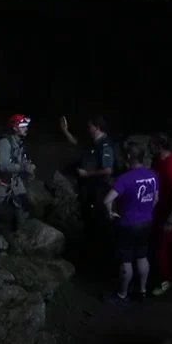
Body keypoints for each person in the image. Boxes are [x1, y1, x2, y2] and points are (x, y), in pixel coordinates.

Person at [102, 143, 159, 306]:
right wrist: (146, 211)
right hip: (146, 222)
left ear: (128, 158)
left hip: (127, 224)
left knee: (126, 260)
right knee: (142, 256)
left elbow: (107, 200)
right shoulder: (153, 175)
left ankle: (122, 295)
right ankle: (141, 291)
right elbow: (156, 199)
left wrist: (111, 213)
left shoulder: (124, 179)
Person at [60, 115, 115, 261]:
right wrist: (65, 131)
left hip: (98, 189)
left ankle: (96, 254)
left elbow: (108, 169)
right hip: (87, 188)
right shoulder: (92, 142)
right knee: (87, 218)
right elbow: (76, 142)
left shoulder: (105, 145)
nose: (87, 129)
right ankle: (87, 248)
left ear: (97, 128)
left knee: (96, 220)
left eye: (90, 126)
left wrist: (87, 173)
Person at [0, 114, 35, 232]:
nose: (26, 129)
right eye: (23, 126)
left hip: (14, 180)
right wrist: (23, 168)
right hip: (2, 181)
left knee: (24, 204)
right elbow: (4, 166)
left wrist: (27, 165)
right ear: (15, 128)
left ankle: (22, 232)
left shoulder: (19, 141)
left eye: (26, 126)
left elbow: (20, 158)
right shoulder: (4, 143)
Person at [148, 133, 172, 296]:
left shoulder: (171, 166)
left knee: (162, 249)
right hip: (157, 210)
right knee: (155, 246)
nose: (149, 147)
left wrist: (170, 220)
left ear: (158, 146)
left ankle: (165, 281)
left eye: (151, 144)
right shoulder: (157, 161)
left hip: (168, 214)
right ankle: (155, 277)